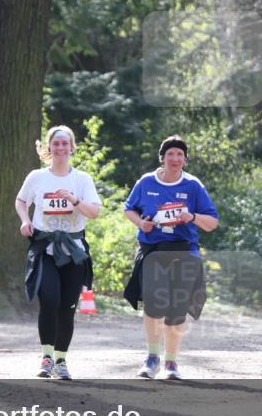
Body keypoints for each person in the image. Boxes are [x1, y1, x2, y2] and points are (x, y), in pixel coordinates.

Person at [123, 135, 219, 380]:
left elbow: (212, 223)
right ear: (162, 158)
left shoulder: (193, 186)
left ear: (185, 159)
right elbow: (128, 208)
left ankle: (171, 363)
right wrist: (141, 223)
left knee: (177, 308)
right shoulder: (146, 182)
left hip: (184, 249)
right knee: (155, 303)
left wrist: (192, 217)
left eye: (180, 154)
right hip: (153, 249)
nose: (175, 159)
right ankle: (152, 358)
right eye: (170, 154)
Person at [16, 126, 101, 380]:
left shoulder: (82, 179)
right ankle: (46, 357)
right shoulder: (37, 177)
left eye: (65, 144)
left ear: (72, 147)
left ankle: (61, 360)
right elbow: (22, 201)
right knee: (49, 300)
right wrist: (24, 220)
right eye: (56, 144)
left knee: (67, 306)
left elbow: (94, 213)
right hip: (45, 247)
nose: (61, 148)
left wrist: (74, 200)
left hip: (74, 251)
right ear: (49, 147)